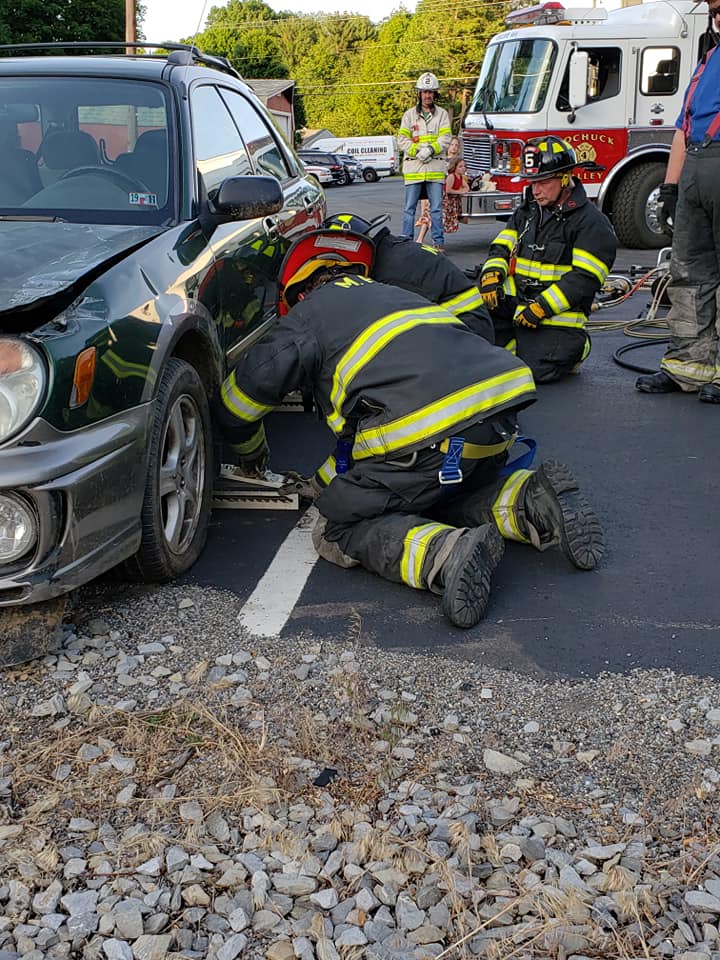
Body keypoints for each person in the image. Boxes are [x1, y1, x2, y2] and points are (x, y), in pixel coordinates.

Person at [213, 230, 605, 629]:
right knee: (431, 491)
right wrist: (321, 481)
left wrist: (254, 458)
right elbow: (354, 448)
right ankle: (530, 501)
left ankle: (444, 555)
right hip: (497, 414)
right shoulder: (396, 294)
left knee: (337, 525)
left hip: (428, 432)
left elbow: (237, 406)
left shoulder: (306, 318)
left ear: (296, 294)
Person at [477, 136, 617, 383]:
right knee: (470, 331)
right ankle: (511, 344)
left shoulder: (591, 224)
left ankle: (577, 349)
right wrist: (491, 276)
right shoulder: (528, 212)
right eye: (532, 183)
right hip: (517, 306)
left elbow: (583, 280)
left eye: (542, 182)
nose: (535, 190)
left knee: (536, 372)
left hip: (555, 314)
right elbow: (501, 246)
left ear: (565, 179)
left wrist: (541, 307)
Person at [635, 1, 720, 402]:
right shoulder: (706, 63)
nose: (718, 17)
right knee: (687, 274)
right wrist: (669, 189)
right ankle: (688, 366)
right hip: (695, 175)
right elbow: (683, 130)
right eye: (716, 10)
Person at [398, 72, 452, 252]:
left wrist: (431, 149)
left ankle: (438, 243)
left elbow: (446, 138)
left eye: (430, 92)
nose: (427, 95)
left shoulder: (442, 115)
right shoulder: (409, 115)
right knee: (409, 210)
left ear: (435, 94)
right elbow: (402, 140)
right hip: (414, 168)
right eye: (424, 92)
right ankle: (406, 243)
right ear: (419, 94)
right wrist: (417, 151)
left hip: (435, 168)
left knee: (436, 209)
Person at [442, 156, 470, 235]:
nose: (463, 168)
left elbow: (467, 187)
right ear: (454, 167)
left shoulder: (461, 177)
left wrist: (463, 190)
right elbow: (448, 190)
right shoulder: (451, 176)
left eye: (464, 166)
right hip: (445, 202)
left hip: (452, 202)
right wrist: (459, 192)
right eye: (460, 166)